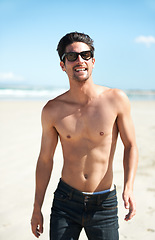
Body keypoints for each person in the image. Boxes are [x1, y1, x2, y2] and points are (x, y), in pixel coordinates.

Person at [31, 32, 138, 240]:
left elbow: (131, 145)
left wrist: (129, 187)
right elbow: (45, 159)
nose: (79, 60)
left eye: (85, 55)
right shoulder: (52, 110)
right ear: (63, 65)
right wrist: (37, 207)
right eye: (72, 56)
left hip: (104, 203)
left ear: (93, 61)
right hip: (66, 202)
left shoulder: (116, 99)